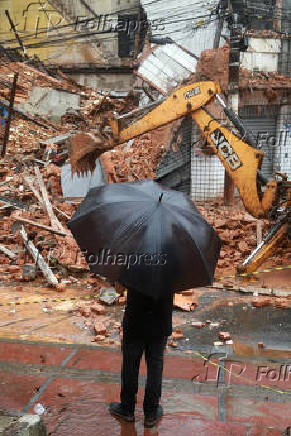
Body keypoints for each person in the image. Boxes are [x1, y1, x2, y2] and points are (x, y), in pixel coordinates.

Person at [109, 286, 174, 428]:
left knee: (130, 363)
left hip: (135, 319)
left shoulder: (133, 262)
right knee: (155, 366)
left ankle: (127, 408)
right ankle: (151, 413)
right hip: (160, 319)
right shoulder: (174, 262)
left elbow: (119, 288)